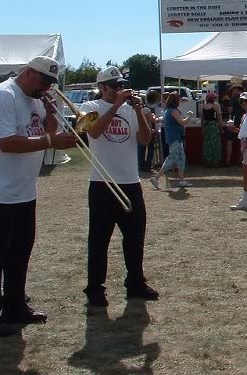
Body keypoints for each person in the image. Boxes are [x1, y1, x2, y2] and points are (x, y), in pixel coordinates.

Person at [0, 57, 78, 336]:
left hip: (25, 191)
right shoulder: (4, 95)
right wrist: (51, 141)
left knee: (19, 253)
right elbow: (6, 143)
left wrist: (50, 112)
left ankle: (15, 305)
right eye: (43, 82)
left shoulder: (37, 99)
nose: (46, 88)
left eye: (51, 83)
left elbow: (45, 132)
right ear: (27, 73)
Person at [80, 67, 158, 307]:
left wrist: (139, 111)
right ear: (102, 87)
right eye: (114, 86)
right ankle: (95, 289)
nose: (119, 90)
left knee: (135, 237)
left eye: (121, 85)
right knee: (99, 239)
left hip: (131, 182)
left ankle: (135, 282)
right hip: (102, 183)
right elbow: (92, 132)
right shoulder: (89, 108)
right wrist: (115, 107)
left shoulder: (131, 109)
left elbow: (145, 140)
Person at [151, 92, 193, 189]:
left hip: (175, 137)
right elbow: (182, 122)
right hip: (175, 138)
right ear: (175, 101)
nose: (180, 101)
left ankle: (182, 180)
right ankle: (156, 178)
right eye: (178, 100)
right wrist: (189, 116)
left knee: (181, 158)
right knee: (172, 158)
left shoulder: (168, 110)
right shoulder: (173, 111)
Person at [137, 90, 159, 173]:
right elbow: (152, 121)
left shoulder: (136, 110)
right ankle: (148, 166)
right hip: (148, 131)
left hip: (138, 131)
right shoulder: (147, 110)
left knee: (140, 150)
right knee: (150, 150)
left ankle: (141, 166)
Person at [223, 84, 245, 166]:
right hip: (242, 120)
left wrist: (227, 109)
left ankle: (228, 160)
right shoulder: (243, 99)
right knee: (242, 141)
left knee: (230, 140)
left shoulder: (233, 99)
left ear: (235, 89)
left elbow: (230, 111)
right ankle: (240, 160)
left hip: (234, 121)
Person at [201, 92, 222, 167]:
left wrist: (202, 128)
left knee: (207, 144)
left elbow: (202, 119)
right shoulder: (215, 105)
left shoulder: (203, 106)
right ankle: (215, 161)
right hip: (214, 126)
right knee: (215, 144)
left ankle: (208, 161)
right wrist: (221, 128)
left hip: (207, 126)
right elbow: (219, 118)